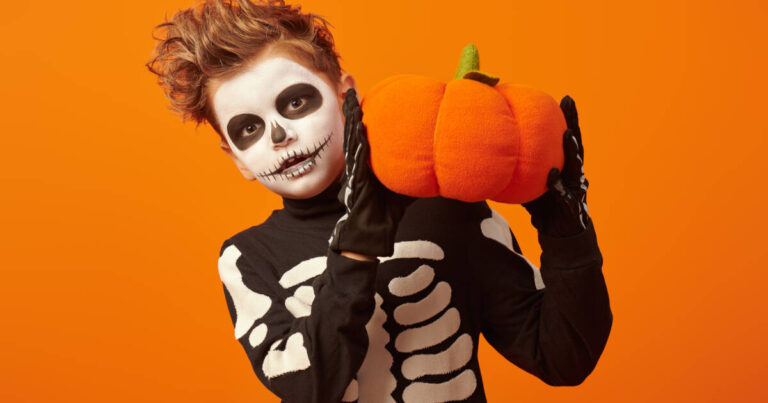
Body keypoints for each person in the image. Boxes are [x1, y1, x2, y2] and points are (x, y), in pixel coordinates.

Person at [146, 1, 613, 402]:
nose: (279, 135)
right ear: (237, 159)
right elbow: (310, 390)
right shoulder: (247, 258)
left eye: (295, 103)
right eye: (248, 128)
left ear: (347, 94)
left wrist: (566, 232)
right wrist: (356, 246)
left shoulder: (450, 209)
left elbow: (564, 358)